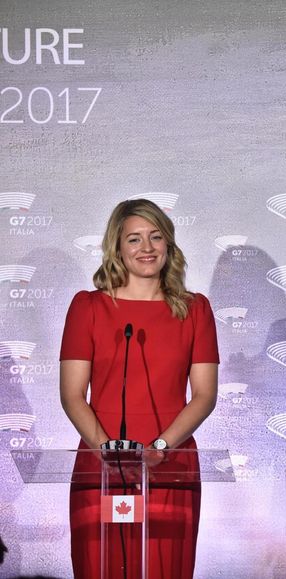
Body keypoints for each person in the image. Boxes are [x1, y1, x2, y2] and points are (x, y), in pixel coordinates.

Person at [60, 199, 219, 578]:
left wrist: (160, 448)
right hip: (100, 463)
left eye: (155, 237)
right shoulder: (88, 307)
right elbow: (71, 395)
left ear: (168, 244)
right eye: (134, 239)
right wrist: (108, 452)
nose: (146, 248)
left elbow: (204, 395)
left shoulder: (195, 309)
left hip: (170, 462)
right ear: (117, 247)